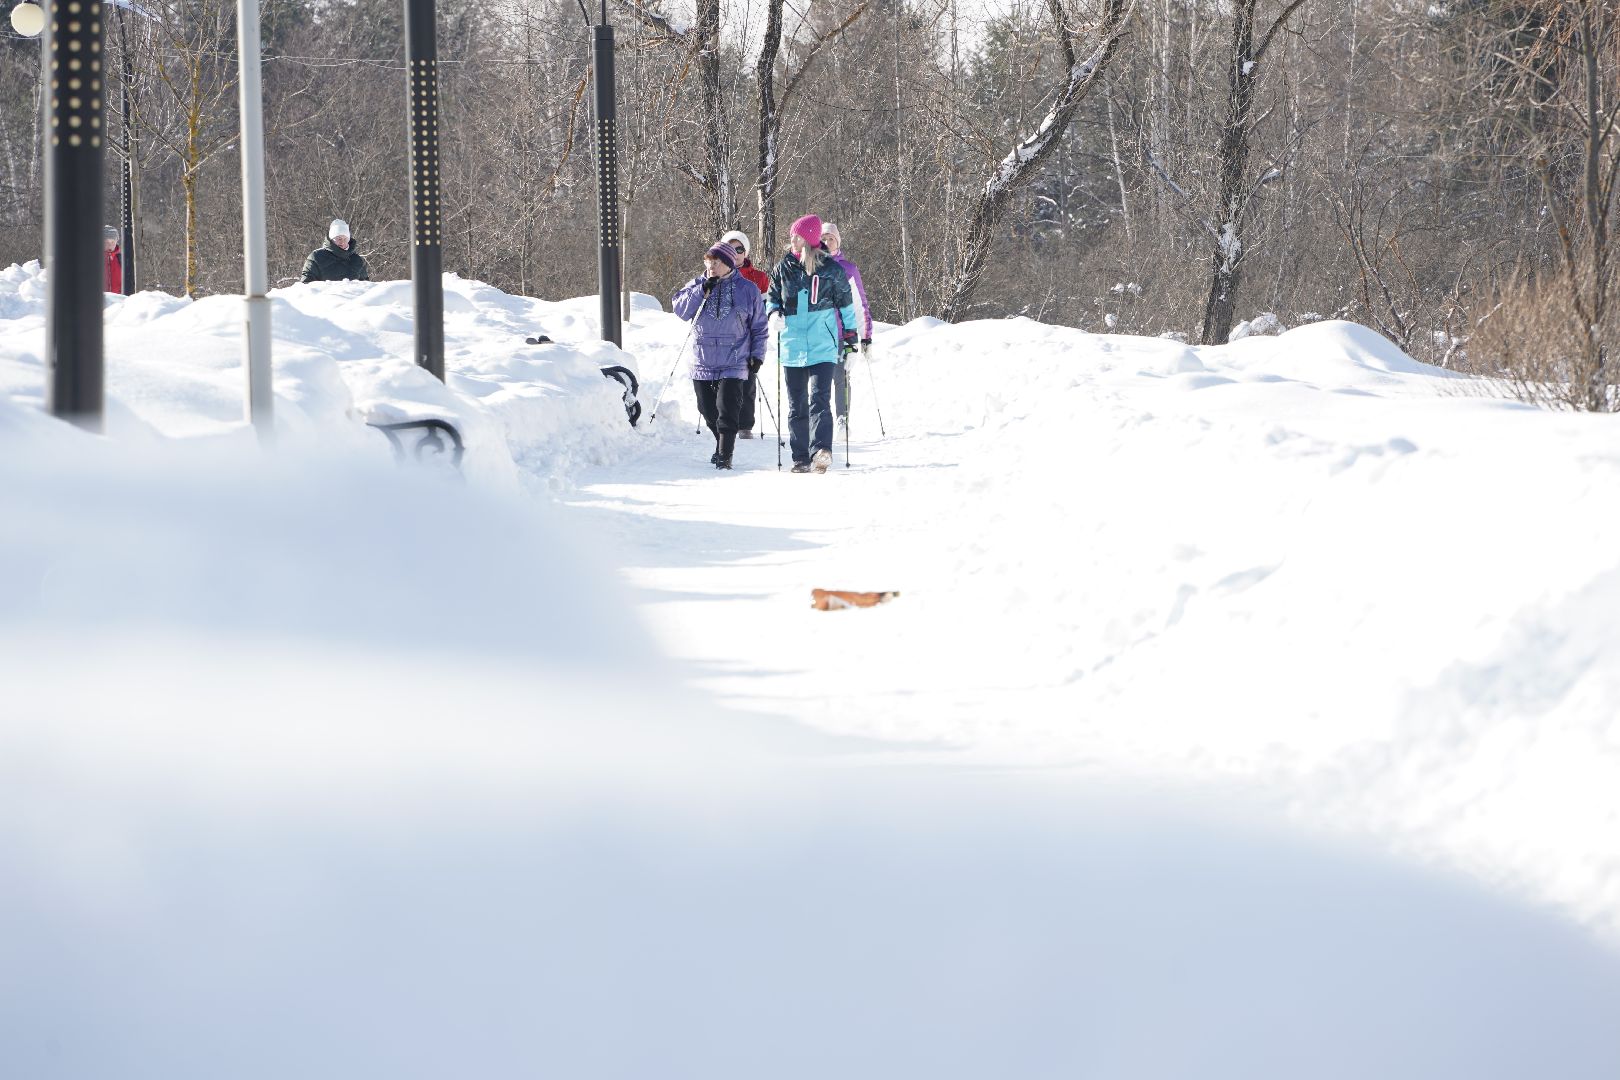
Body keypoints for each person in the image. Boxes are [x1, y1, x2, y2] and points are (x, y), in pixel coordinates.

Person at [767, 214, 859, 474]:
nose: (791, 240)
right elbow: (773, 296)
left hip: (823, 346)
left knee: (820, 399)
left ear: (806, 239)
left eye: (795, 235)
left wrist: (852, 344)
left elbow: (847, 309)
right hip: (792, 345)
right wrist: (773, 313)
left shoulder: (831, 270)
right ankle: (800, 457)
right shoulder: (783, 267)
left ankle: (821, 451)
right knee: (797, 404)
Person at [671, 241, 767, 470]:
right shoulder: (697, 285)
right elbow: (680, 310)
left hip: (735, 358)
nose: (712, 266)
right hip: (703, 358)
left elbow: (759, 327)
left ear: (729, 263)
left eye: (717, 262)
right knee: (707, 409)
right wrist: (701, 291)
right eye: (709, 262)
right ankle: (720, 443)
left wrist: (757, 355)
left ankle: (725, 454)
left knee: (727, 407)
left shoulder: (748, 289)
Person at [822, 222, 872, 434]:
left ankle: (842, 420)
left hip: (842, 333)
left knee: (840, 377)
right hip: (819, 334)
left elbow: (860, 304)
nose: (826, 242)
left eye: (830, 238)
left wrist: (866, 336)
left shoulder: (848, 268)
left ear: (837, 241)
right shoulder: (811, 266)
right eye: (823, 238)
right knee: (819, 381)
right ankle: (820, 420)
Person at [720, 230, 770, 438]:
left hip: (748, 337)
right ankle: (723, 421)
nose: (736, 253)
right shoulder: (718, 273)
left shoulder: (759, 278)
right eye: (731, 249)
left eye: (739, 249)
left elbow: (766, 307)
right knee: (724, 382)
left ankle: (745, 425)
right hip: (723, 337)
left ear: (745, 252)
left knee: (747, 380)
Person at [300, 218, 371, 283]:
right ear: (332, 239)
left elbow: (365, 287)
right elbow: (307, 286)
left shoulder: (357, 260)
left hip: (354, 297)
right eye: (339, 238)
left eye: (345, 239)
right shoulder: (316, 257)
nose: (342, 242)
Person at [103, 225, 122, 294]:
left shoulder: (122, 260)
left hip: (119, 302)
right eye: (106, 242)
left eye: (113, 242)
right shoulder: (94, 260)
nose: (110, 245)